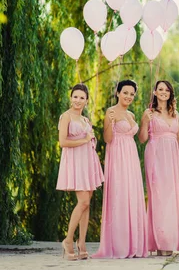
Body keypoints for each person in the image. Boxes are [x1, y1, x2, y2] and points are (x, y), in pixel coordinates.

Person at [92, 80, 148, 259]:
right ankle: (118, 245)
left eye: (132, 94)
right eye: (125, 92)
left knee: (132, 194)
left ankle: (135, 244)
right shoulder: (111, 112)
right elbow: (107, 138)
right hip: (116, 156)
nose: (129, 97)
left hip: (130, 156)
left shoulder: (131, 114)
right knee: (119, 194)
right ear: (118, 92)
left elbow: (138, 138)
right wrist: (109, 122)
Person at [56, 83, 104, 261]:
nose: (78, 100)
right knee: (83, 201)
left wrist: (91, 141)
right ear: (71, 98)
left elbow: (89, 139)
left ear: (86, 100)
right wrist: (84, 140)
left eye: (81, 97)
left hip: (88, 161)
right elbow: (63, 142)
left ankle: (82, 242)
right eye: (75, 96)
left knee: (87, 203)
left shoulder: (85, 120)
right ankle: (68, 240)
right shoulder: (66, 117)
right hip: (75, 161)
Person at [139, 80, 179, 256]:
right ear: (155, 92)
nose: (164, 92)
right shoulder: (149, 113)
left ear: (170, 93)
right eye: (160, 89)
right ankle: (158, 242)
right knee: (158, 196)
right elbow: (142, 139)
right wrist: (144, 122)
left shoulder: (176, 114)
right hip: (156, 154)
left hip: (173, 156)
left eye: (167, 90)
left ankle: (169, 241)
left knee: (172, 197)